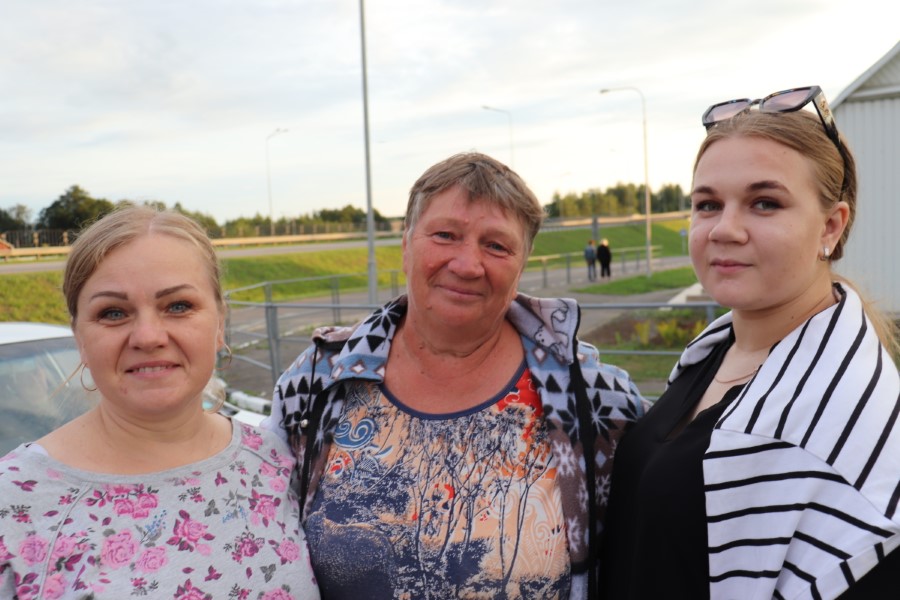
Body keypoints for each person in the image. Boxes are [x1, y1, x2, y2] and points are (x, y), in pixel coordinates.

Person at [263, 152, 646, 599]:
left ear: (522, 265)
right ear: (406, 246)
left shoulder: (597, 398)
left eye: (496, 246)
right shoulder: (316, 382)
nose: (467, 265)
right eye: (445, 235)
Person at [601, 86, 900, 599]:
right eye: (707, 204)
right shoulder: (717, 352)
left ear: (831, 226)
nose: (725, 229)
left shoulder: (847, 425)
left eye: (765, 203)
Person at [0, 206, 320, 599]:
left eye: (178, 306)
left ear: (220, 323)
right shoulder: (15, 505)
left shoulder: (276, 460)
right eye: (113, 313)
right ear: (79, 337)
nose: (148, 336)